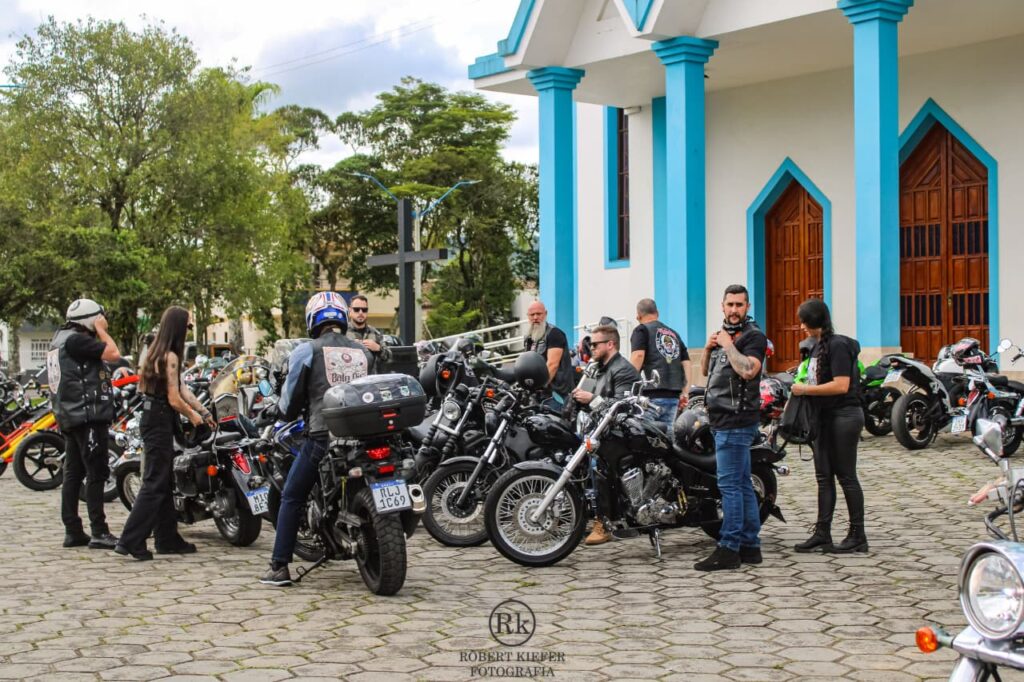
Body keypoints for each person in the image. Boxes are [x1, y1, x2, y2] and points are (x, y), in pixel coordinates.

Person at [261, 292, 371, 586]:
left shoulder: (306, 351)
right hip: (365, 438)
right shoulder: (363, 351)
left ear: (313, 320)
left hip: (324, 437)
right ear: (343, 318)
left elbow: (289, 402)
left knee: (292, 495)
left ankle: (279, 567)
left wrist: (281, 411)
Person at [116, 307, 215, 560]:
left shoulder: (156, 352)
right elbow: (174, 398)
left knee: (163, 481)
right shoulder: (169, 356)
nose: (189, 331)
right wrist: (194, 418)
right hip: (159, 418)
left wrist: (204, 411)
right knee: (154, 483)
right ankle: (131, 540)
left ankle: (167, 537)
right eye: (188, 326)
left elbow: (183, 389)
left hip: (155, 417)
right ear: (178, 327)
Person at [695, 285, 768, 571]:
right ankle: (750, 546)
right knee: (742, 484)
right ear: (722, 306)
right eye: (730, 304)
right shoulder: (725, 335)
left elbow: (748, 370)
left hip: (736, 422)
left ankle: (729, 548)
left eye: (739, 305)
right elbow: (705, 372)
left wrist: (727, 345)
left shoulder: (753, 336)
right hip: (721, 420)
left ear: (747, 307)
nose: (734, 310)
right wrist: (708, 348)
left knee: (730, 486)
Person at [790, 299, 867, 554]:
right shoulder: (816, 347)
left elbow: (841, 385)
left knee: (846, 476)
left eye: (804, 321)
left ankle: (858, 534)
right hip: (823, 417)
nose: (801, 326)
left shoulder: (838, 346)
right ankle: (822, 532)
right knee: (823, 476)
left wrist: (804, 390)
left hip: (844, 416)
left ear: (814, 321)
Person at [48, 299, 123, 550]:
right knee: (96, 472)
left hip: (70, 415)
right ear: (92, 319)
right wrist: (101, 330)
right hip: (87, 415)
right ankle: (99, 530)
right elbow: (113, 354)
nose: (105, 321)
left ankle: (73, 530)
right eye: (101, 317)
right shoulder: (76, 340)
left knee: (73, 473)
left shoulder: (60, 338)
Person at [570, 324, 640, 546]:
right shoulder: (599, 368)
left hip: (620, 434)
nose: (591, 348)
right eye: (590, 344)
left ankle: (604, 522)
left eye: (595, 344)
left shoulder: (623, 370)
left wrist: (591, 398)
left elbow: (622, 407)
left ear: (610, 344)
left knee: (598, 467)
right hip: (601, 430)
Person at [629, 298, 692, 432]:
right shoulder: (674, 334)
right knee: (666, 438)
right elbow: (686, 363)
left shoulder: (641, 330)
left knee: (643, 436)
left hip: (651, 398)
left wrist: (628, 384)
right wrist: (685, 392)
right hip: (673, 396)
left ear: (638, 316)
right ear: (657, 313)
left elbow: (638, 356)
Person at [523, 301, 575, 405]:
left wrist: (538, 387)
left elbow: (552, 365)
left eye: (539, 314)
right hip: (540, 393)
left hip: (556, 393)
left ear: (545, 314)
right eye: (532, 315)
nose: (535, 317)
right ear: (528, 316)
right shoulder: (528, 337)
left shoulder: (554, 333)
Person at [346, 294, 390, 373]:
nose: (360, 312)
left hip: (370, 379)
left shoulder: (375, 333)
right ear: (350, 311)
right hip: (349, 377)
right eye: (356, 309)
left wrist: (378, 349)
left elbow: (389, 357)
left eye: (364, 310)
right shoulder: (343, 332)